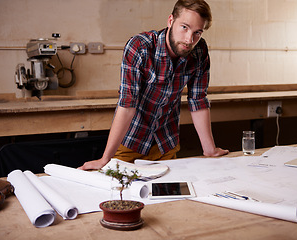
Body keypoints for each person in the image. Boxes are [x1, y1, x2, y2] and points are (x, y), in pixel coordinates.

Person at [79, 0, 228, 170]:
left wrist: (209, 150)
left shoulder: (199, 51)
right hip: (131, 141)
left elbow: (198, 100)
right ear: (171, 21)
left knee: (166, 194)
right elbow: (128, 104)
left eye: (197, 32)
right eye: (184, 27)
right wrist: (105, 159)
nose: (189, 39)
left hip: (166, 142)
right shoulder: (139, 48)